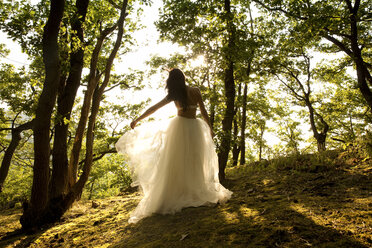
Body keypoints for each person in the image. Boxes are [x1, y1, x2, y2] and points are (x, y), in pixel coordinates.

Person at [116, 68, 232, 223]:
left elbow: (154, 108)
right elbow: (202, 111)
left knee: (183, 161)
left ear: (172, 81)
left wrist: (137, 119)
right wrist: (209, 127)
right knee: (191, 160)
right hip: (193, 128)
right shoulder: (193, 91)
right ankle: (185, 191)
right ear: (183, 78)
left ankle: (189, 191)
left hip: (183, 127)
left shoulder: (176, 94)